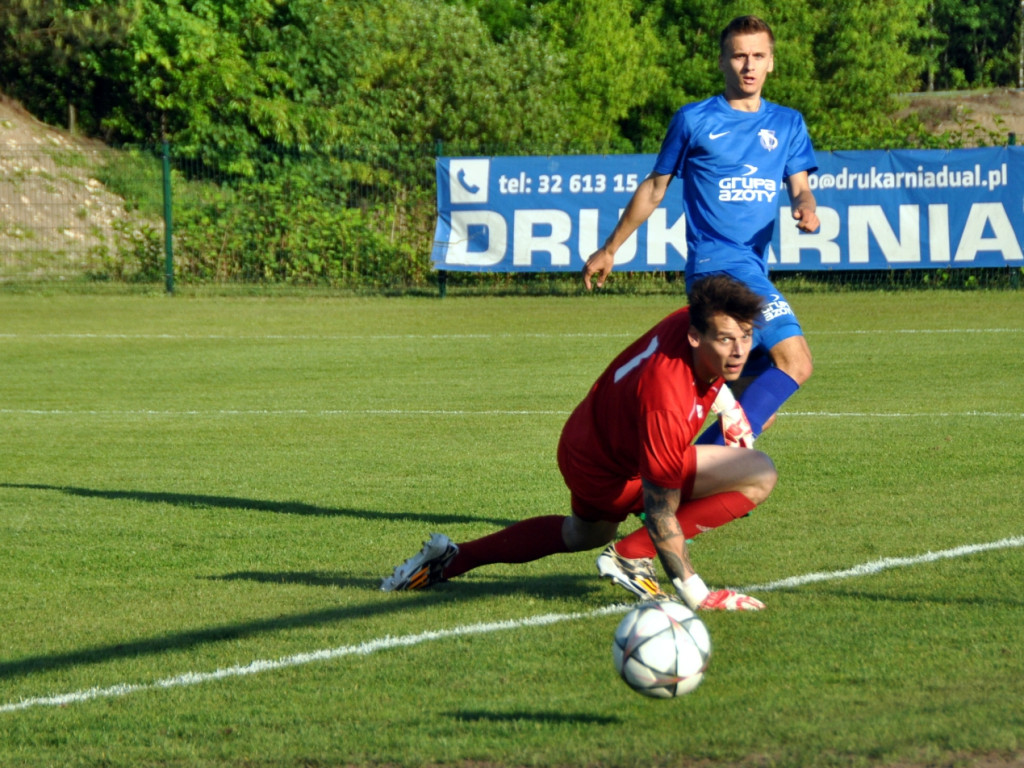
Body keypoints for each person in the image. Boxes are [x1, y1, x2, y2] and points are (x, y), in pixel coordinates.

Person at [381, 275, 776, 610]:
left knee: (582, 535)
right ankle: (629, 559)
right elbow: (659, 511)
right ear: (695, 337)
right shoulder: (667, 402)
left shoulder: (686, 321)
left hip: (585, 442)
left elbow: (712, 365)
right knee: (758, 473)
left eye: (745, 336)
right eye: (726, 340)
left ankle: (451, 559)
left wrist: (731, 410)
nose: (739, 349)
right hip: (610, 470)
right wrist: (697, 594)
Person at [582, 15, 819, 450]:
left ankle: (681, 476)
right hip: (717, 268)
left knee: (749, 406)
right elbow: (655, 188)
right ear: (722, 62)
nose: (749, 65)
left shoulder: (787, 124)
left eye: (758, 56)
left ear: (772, 63)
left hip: (753, 267)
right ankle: (681, 475)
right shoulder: (694, 120)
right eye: (739, 55)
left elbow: (800, 187)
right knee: (796, 362)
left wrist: (805, 208)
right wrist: (610, 248)